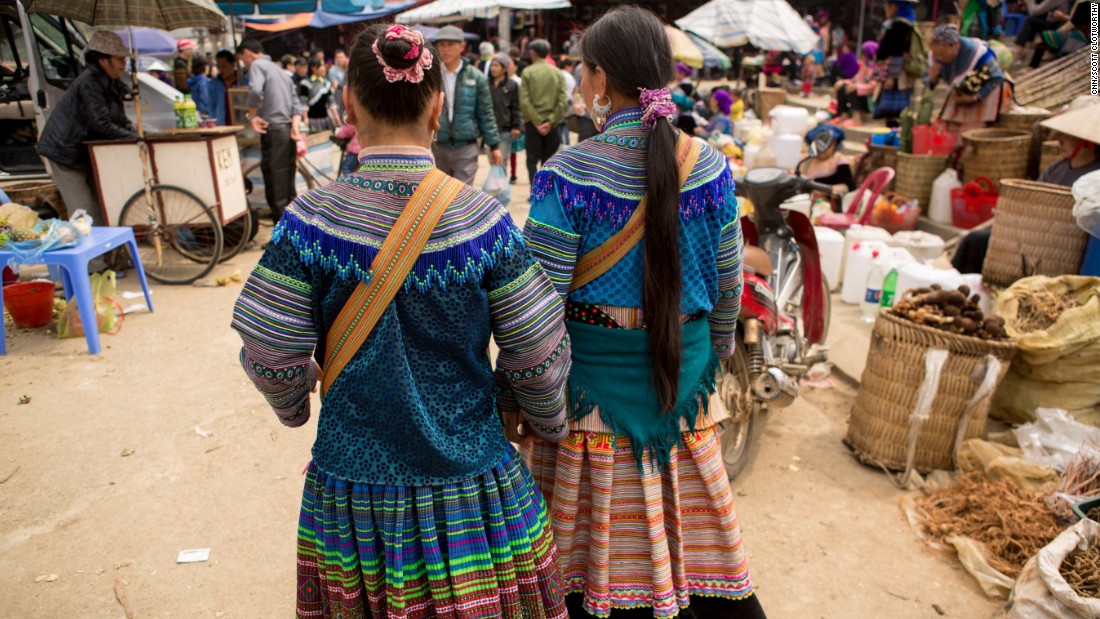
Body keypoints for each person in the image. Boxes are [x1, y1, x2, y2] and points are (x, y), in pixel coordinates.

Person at [231, 23, 571, 618]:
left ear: (347, 103)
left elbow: (269, 350)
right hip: (473, 492)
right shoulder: (483, 221)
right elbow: (538, 352)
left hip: (352, 497)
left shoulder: (309, 222)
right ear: (438, 108)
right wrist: (547, 420)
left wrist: (294, 406)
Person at [521, 6, 765, 618]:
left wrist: (524, 397)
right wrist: (708, 363)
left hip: (588, 403)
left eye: (583, 72)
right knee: (691, 558)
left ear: (602, 80)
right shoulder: (710, 166)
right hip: (683, 387)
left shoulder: (568, 175)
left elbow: (536, 311)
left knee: (586, 568)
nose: (580, 84)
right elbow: (728, 287)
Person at [953, 97, 1100, 273]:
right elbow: (1032, 200)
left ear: (1086, 144)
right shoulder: (1056, 168)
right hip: (1031, 232)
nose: (1060, 140)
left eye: (1067, 136)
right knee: (974, 240)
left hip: (1061, 247)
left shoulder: (1094, 180)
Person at [37, 30, 137, 226]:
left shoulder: (111, 82)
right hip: (65, 152)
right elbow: (102, 124)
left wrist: (134, 132)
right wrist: (133, 137)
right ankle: (93, 258)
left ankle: (106, 254)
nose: (123, 64)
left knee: (102, 206)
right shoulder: (90, 82)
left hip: (85, 153)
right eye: (119, 59)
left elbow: (118, 119)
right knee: (83, 210)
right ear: (103, 60)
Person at [238, 38, 304, 225]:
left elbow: (255, 91)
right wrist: (295, 127)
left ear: (247, 53)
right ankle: (293, 234)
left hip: (274, 131)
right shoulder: (280, 70)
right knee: (288, 187)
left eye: (243, 60)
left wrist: (252, 116)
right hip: (287, 132)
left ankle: (281, 238)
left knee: (276, 188)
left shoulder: (258, 65)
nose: (245, 63)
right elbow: (296, 104)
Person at [430, 25, 502, 185]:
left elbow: (486, 113)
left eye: (450, 44)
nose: (445, 49)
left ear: (462, 46)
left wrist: (494, 145)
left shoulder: (476, 77)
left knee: (462, 193)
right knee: (441, 193)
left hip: (466, 145)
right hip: (439, 145)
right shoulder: (432, 76)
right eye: (442, 44)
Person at [927, 24, 1011, 136]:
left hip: (987, 88)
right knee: (950, 127)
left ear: (954, 45)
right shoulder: (935, 57)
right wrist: (933, 78)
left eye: (942, 54)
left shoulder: (977, 54)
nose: (940, 58)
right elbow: (931, 83)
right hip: (962, 90)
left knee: (972, 131)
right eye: (937, 55)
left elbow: (996, 78)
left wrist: (974, 98)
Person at [519, 39, 566, 183]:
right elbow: (562, 100)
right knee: (549, 160)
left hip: (533, 124)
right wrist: (550, 121)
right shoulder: (557, 73)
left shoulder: (527, 72)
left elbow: (524, 101)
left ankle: (534, 190)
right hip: (552, 125)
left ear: (533, 53)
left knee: (532, 160)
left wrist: (537, 122)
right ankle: (546, 191)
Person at [875, 0, 918, 127]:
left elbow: (897, 53)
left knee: (893, 113)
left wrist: (891, 77)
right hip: (900, 74)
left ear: (895, 7)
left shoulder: (898, 26)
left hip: (896, 75)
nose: (885, 8)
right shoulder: (908, 25)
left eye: (887, 5)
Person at [1029, 0, 1090, 68]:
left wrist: (1057, 31)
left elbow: (1072, 24)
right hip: (1082, 34)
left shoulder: (1085, 3)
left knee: (1044, 37)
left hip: (1082, 38)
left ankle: (1032, 67)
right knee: (1047, 36)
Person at [833, 41, 879, 126]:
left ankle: (857, 119)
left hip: (870, 100)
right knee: (842, 87)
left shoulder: (878, 67)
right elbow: (856, 79)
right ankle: (843, 114)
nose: (861, 55)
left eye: (863, 53)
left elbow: (874, 86)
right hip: (862, 92)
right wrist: (842, 82)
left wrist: (856, 87)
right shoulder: (865, 65)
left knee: (852, 89)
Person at [489, 53, 522, 166]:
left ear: (504, 68)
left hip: (505, 128)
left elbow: (515, 106)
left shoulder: (512, 85)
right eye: (492, 65)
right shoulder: (486, 84)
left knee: (501, 161)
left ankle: (500, 184)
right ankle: (495, 183)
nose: (493, 68)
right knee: (492, 161)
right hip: (489, 128)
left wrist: (515, 126)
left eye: (496, 65)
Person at [801, 125, 855, 194]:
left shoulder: (839, 160)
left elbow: (848, 186)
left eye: (830, 145)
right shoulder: (807, 158)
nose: (825, 148)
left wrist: (827, 190)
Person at [300, 57, 336, 133]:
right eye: (321, 65)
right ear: (313, 68)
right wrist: (305, 118)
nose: (324, 68)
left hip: (326, 119)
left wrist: (336, 116)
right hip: (312, 120)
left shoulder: (326, 83)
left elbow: (331, 102)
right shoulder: (305, 83)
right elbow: (303, 103)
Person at [210, 49, 239, 126]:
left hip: (240, 125)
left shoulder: (243, 81)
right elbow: (210, 107)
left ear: (233, 64)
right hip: (221, 126)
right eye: (218, 66)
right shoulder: (213, 84)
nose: (221, 70)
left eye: (224, 66)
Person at [560, 57, 577, 145]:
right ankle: (566, 143)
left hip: (558, 101)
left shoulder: (558, 74)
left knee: (560, 124)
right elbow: (573, 92)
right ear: (568, 66)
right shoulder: (570, 77)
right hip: (567, 102)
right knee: (565, 124)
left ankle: (562, 143)